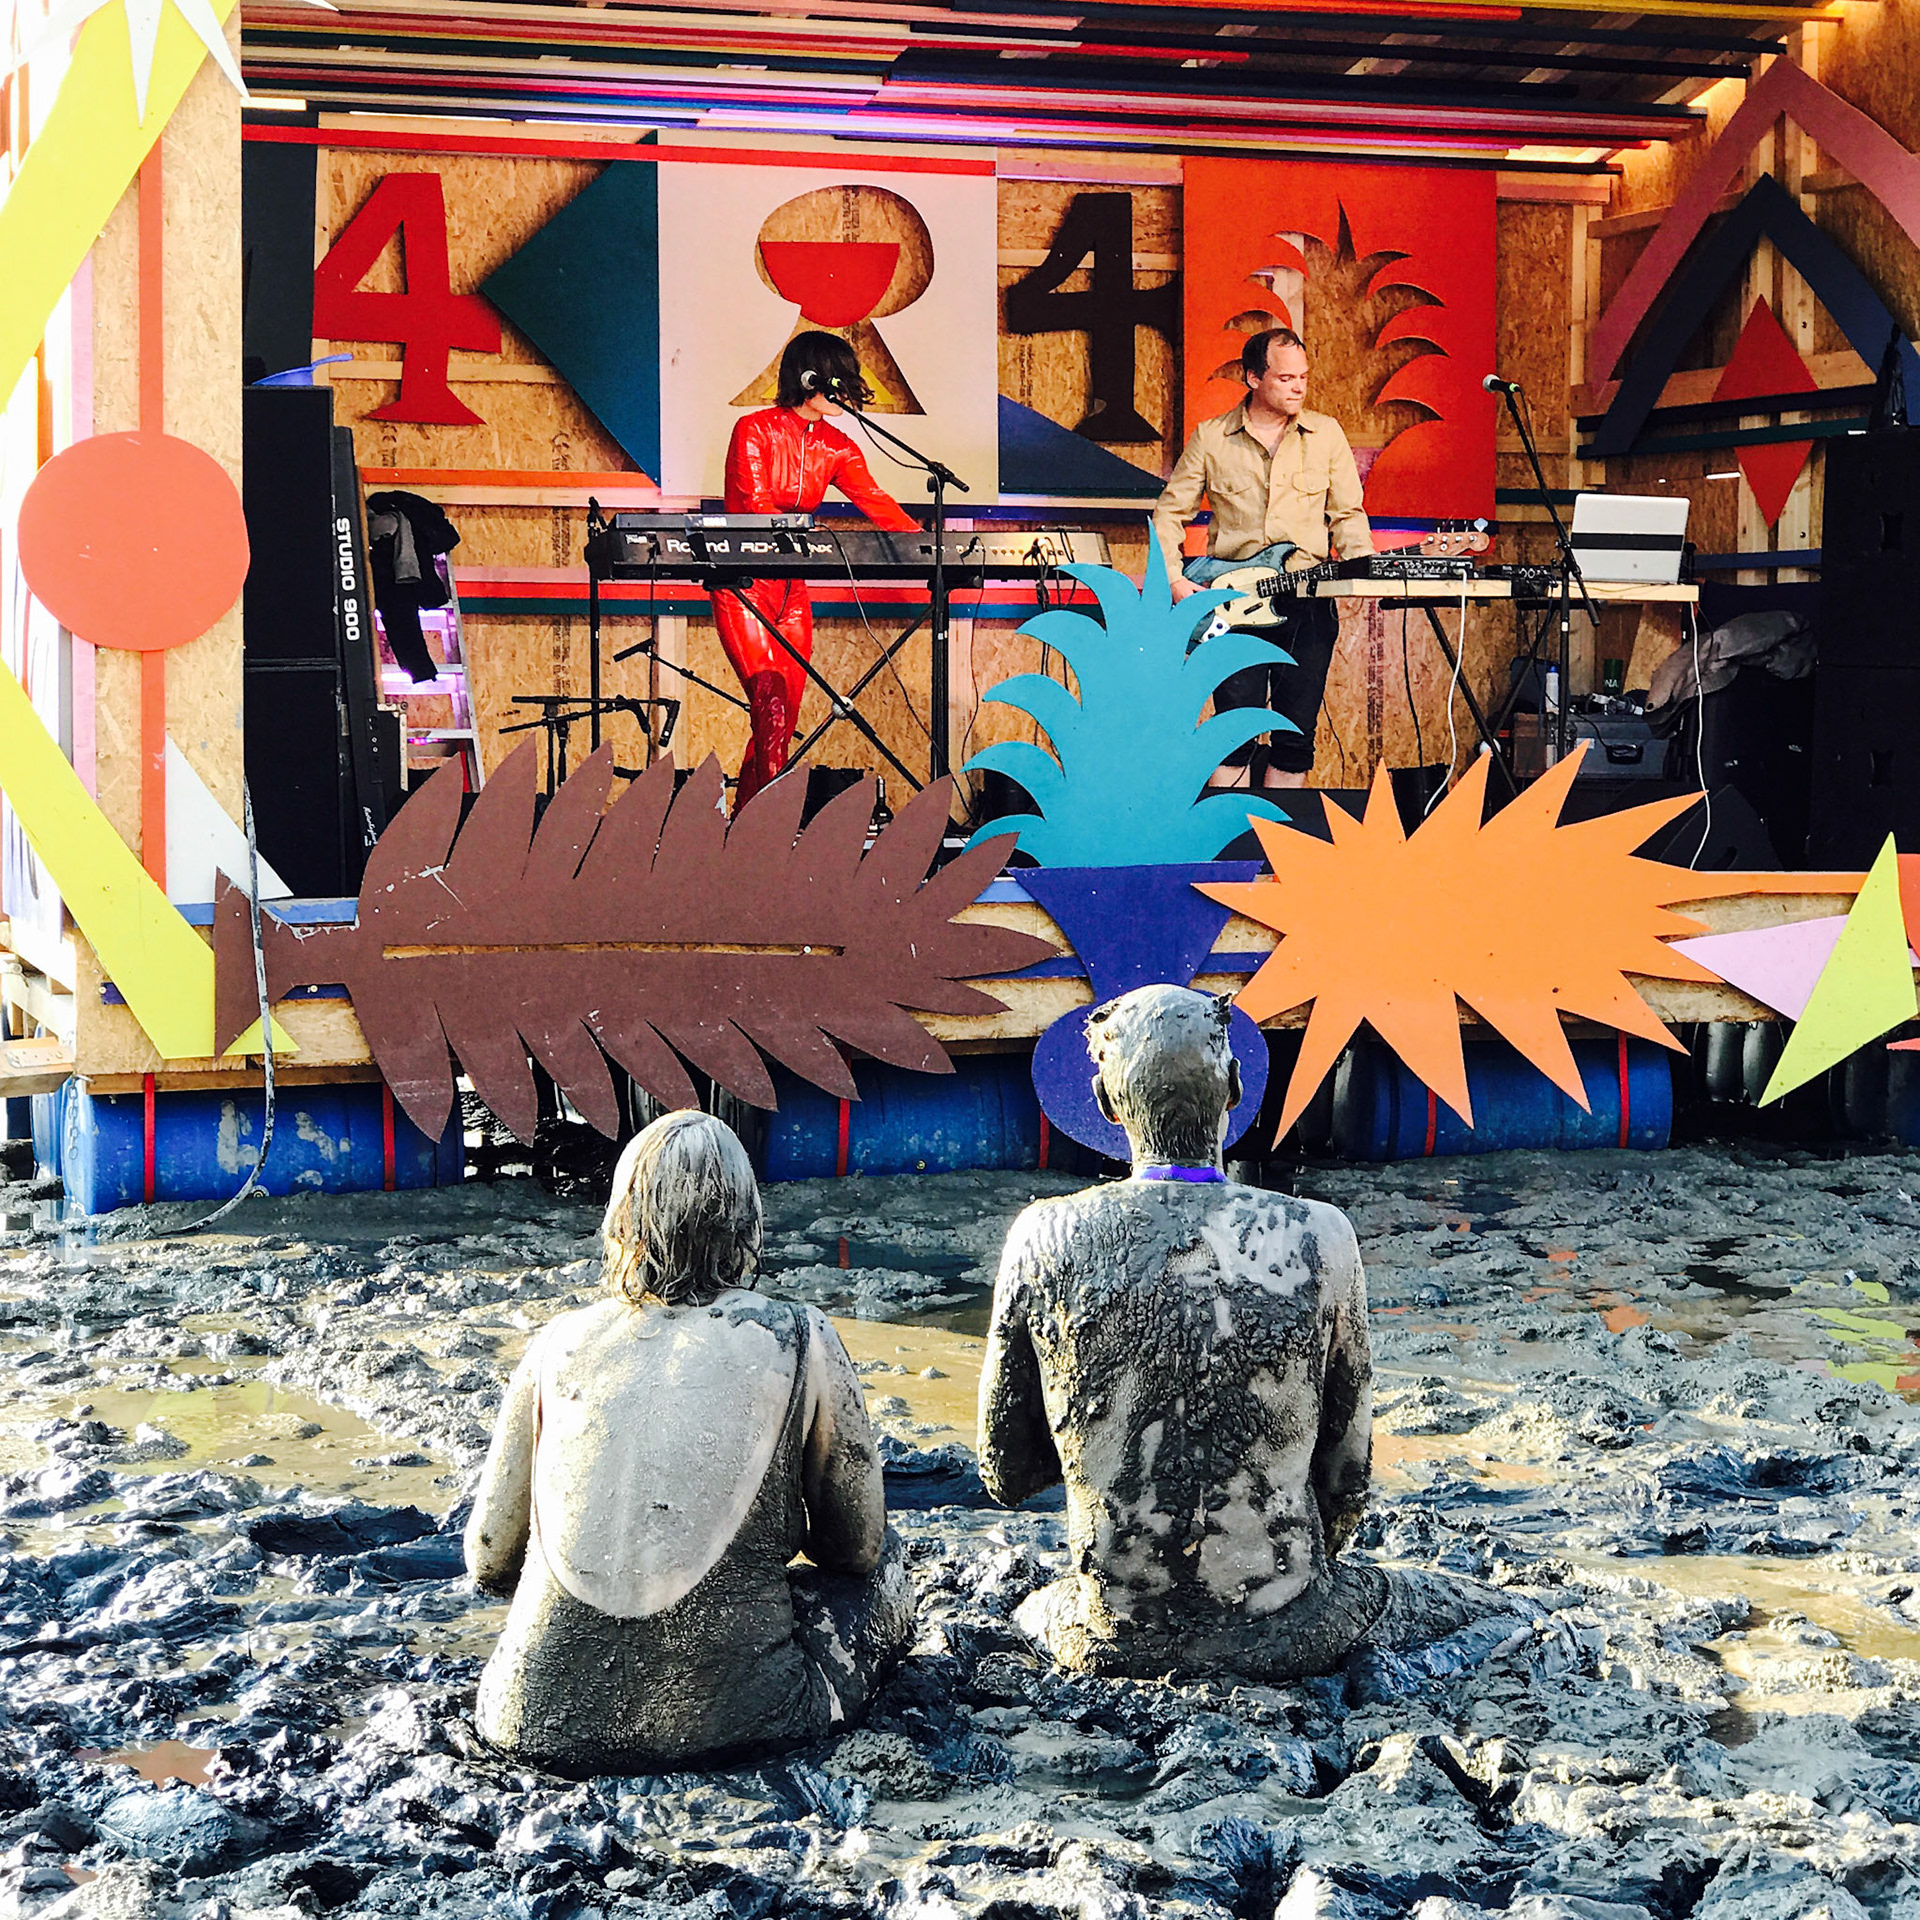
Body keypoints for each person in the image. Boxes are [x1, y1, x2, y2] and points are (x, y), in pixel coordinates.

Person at [977, 985, 1527, 1682]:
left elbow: (1005, 1474)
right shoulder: (1320, 1234)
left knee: (1025, 1614)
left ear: (1106, 1102)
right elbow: (1346, 1478)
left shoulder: (1042, 1235)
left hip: (1108, 1637)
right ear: (1235, 1088)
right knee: (1510, 1613)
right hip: (1288, 1630)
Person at [466, 1110, 912, 1773]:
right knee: (890, 1564)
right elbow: (856, 1546)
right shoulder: (798, 1335)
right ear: (747, 1224)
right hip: (739, 1722)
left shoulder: (556, 1343)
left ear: (621, 1223)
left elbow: (489, 1562)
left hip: (529, 1722)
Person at [1152, 327, 1375, 790]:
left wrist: (1365, 568)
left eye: (1303, 377)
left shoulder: (1326, 434)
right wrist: (1174, 579)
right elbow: (1169, 514)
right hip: (1234, 605)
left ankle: (1279, 835)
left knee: (1295, 736)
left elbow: (1348, 514)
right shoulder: (1212, 437)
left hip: (1306, 602)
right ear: (1254, 378)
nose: (1298, 388)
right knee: (1234, 734)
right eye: (1285, 378)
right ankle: (1230, 835)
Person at [718, 331, 920, 812]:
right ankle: (765, 828)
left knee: (781, 717)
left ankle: (745, 825)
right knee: (769, 702)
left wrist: (928, 542)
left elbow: (876, 501)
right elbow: (757, 505)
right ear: (809, 379)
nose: (846, 393)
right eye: (838, 381)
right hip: (744, 586)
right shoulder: (753, 430)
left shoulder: (837, 446)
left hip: (792, 591)